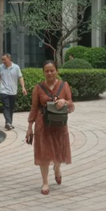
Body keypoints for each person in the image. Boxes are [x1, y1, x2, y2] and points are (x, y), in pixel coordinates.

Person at [26, 60, 74, 196]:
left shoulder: (64, 85)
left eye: (52, 70)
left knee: (58, 151)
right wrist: (29, 127)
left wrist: (64, 101)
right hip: (42, 125)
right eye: (46, 71)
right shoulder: (38, 88)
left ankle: (57, 169)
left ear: (57, 71)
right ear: (43, 72)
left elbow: (71, 105)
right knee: (44, 154)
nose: (49, 73)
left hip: (59, 125)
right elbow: (34, 108)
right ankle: (45, 182)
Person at [0, 53, 28, 130]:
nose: (3, 61)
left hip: (13, 91)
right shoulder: (0, 67)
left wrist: (23, 88)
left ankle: (9, 123)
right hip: (3, 90)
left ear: (9, 59)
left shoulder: (16, 67)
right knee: (6, 106)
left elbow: (20, 77)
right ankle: (8, 123)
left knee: (11, 108)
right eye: (2, 59)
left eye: (4, 59)